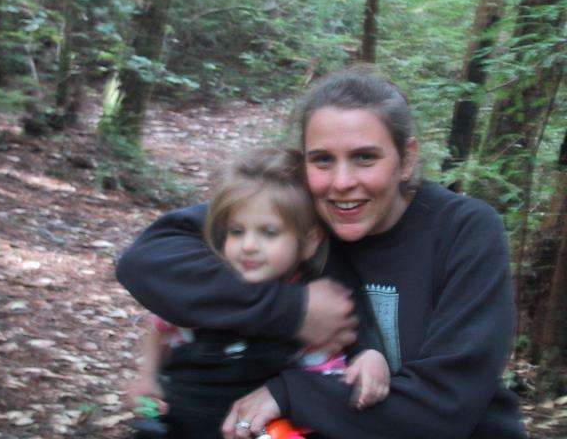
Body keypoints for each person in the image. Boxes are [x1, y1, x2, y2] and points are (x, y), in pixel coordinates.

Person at [117, 68, 527, 439]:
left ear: (406, 159)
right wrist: (293, 309)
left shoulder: (464, 230)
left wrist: (291, 394)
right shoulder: (299, 214)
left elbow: (445, 406)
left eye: (365, 157)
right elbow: (147, 261)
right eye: (323, 160)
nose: (342, 182)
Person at [124, 147, 389, 438]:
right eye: (237, 231)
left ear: (309, 242)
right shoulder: (206, 288)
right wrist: (148, 377)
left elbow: (324, 373)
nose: (249, 245)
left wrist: (366, 355)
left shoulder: (313, 306)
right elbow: (160, 327)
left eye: (269, 233)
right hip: (180, 420)